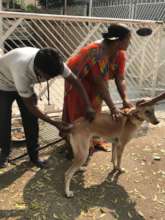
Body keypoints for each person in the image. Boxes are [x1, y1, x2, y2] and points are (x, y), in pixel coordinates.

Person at [0, 47, 95, 169]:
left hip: (22, 81)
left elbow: (75, 82)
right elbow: (31, 106)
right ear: (38, 70)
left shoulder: (55, 64)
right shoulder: (21, 71)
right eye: (48, 76)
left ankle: (34, 157)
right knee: (3, 119)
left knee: (31, 121)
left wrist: (88, 106)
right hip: (3, 84)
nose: (50, 79)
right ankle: (4, 154)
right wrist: (54, 122)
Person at [62, 24, 133, 155]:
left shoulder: (120, 54)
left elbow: (120, 78)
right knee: (79, 115)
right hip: (78, 83)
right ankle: (74, 146)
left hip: (96, 85)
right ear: (118, 41)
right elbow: (101, 84)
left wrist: (125, 99)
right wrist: (112, 108)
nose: (130, 42)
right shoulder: (97, 53)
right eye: (128, 39)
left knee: (95, 113)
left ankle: (93, 142)